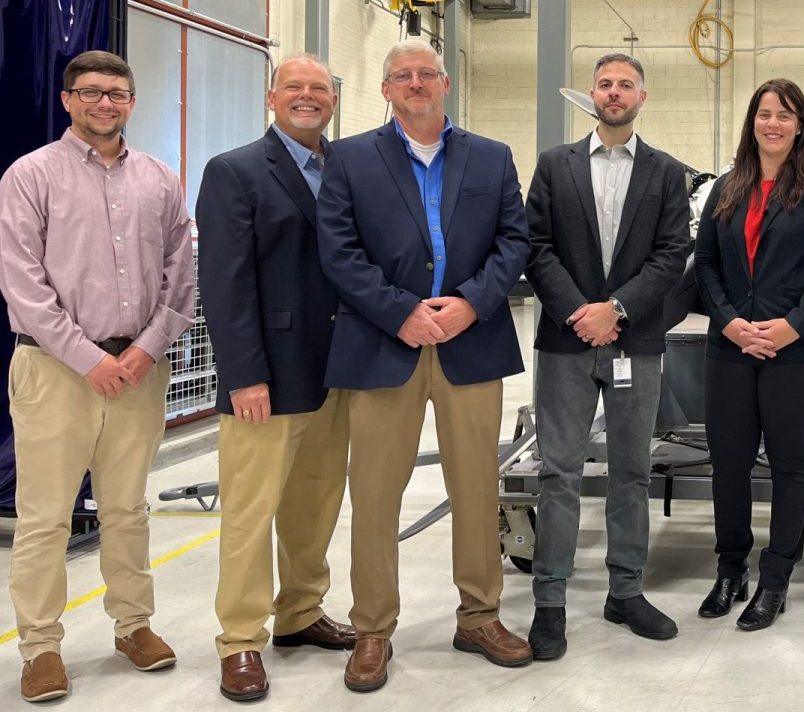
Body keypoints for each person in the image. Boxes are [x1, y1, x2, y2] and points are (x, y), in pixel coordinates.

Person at [316, 38, 532, 692]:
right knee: (376, 497)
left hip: (471, 343)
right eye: (401, 76)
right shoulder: (350, 158)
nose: (415, 83)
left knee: (476, 490)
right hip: (385, 345)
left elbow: (514, 240)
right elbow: (339, 250)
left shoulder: (490, 158)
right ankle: (373, 629)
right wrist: (400, 312)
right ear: (385, 90)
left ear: (444, 84)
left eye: (425, 74)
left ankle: (479, 616)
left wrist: (471, 303)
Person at [0, 50, 195, 703]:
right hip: (54, 369)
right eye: (90, 93)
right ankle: (40, 647)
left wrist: (144, 349)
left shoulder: (161, 180)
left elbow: (181, 275)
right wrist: (90, 358)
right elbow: (23, 286)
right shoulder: (30, 176)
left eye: (116, 93)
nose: (104, 103)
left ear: (132, 102)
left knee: (128, 509)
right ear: (67, 100)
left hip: (139, 368)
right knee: (45, 517)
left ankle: (133, 627)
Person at [195, 54, 356, 702]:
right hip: (265, 375)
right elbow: (224, 284)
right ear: (272, 97)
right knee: (248, 514)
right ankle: (240, 640)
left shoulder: (346, 169)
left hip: (338, 370)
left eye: (319, 88)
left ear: (334, 101)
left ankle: (298, 613)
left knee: (314, 506)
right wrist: (242, 375)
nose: (307, 96)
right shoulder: (234, 171)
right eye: (295, 86)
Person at [523, 53, 690, 659]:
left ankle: (625, 592)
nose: (614, 93)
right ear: (591, 94)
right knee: (558, 471)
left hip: (635, 342)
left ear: (642, 96)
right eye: (605, 84)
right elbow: (535, 246)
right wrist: (580, 312)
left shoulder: (667, 172)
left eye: (625, 85)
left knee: (632, 471)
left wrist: (615, 310)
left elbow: (673, 255)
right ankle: (550, 601)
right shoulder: (554, 166)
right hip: (567, 341)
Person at [693, 78, 804, 632]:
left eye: (785, 115)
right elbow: (706, 264)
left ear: (800, 125)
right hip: (731, 349)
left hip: (797, 352)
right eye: (764, 113)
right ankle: (729, 569)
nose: (773, 124)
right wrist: (731, 322)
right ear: (751, 122)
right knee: (729, 463)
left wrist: (791, 326)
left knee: (788, 465)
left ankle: (776, 578)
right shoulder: (726, 187)